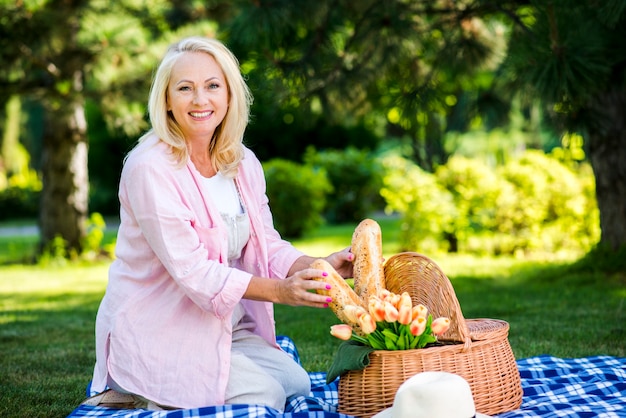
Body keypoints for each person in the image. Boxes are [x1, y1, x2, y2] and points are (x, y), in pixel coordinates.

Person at [88, 36, 354, 411]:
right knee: (266, 396)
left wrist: (318, 267)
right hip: (159, 329)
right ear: (166, 100)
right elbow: (195, 273)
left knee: (295, 384)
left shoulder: (242, 161)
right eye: (185, 88)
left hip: (227, 326)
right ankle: (135, 389)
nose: (200, 100)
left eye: (213, 86)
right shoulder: (149, 168)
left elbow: (267, 244)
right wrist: (282, 291)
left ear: (229, 95)